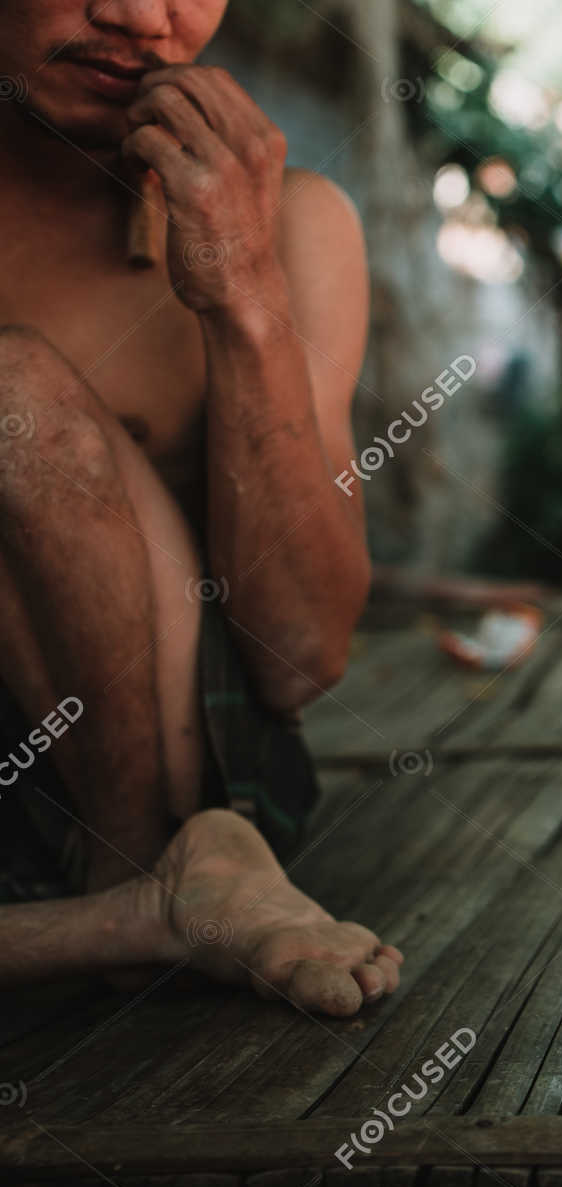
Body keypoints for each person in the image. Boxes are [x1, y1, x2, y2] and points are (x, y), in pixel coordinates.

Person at [0, 0, 401, 1016]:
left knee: (14, 400)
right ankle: (141, 915)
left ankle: (149, 868)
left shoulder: (295, 222)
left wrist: (243, 293)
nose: (141, 15)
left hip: (196, 782)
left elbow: (301, 657)